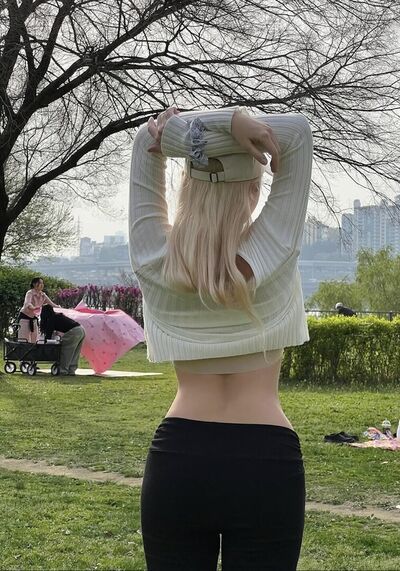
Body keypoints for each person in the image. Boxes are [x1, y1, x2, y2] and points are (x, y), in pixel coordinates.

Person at [129, 106, 312, 570]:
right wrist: (232, 122)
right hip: (266, 461)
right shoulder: (274, 249)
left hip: (178, 460)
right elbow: (296, 132)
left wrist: (216, 127)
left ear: (186, 185)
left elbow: (145, 140)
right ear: (253, 190)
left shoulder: (154, 259)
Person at [40, 305, 86, 375]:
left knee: (65, 350)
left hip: (74, 331)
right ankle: (71, 370)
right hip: (81, 329)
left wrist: (45, 344)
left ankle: (63, 370)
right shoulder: (57, 316)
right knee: (75, 352)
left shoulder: (51, 319)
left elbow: (48, 334)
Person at [18, 277, 60, 343]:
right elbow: (27, 303)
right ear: (34, 284)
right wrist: (33, 308)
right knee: (24, 339)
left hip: (34, 319)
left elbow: (52, 304)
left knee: (34, 340)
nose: (42, 285)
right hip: (24, 318)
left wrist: (60, 308)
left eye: (42, 283)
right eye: (40, 283)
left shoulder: (43, 295)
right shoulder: (30, 293)